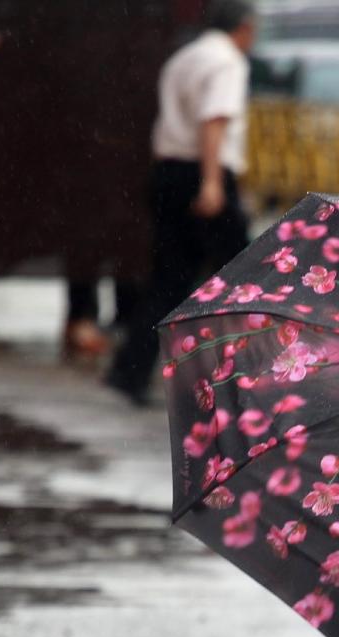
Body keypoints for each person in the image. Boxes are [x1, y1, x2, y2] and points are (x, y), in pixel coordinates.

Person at [105, 0, 257, 404]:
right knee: (245, 279)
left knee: (168, 278)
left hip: (169, 171)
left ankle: (129, 371)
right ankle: (247, 379)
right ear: (243, 27)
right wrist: (211, 183)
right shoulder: (227, 62)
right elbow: (214, 121)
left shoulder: (184, 57)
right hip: (202, 173)